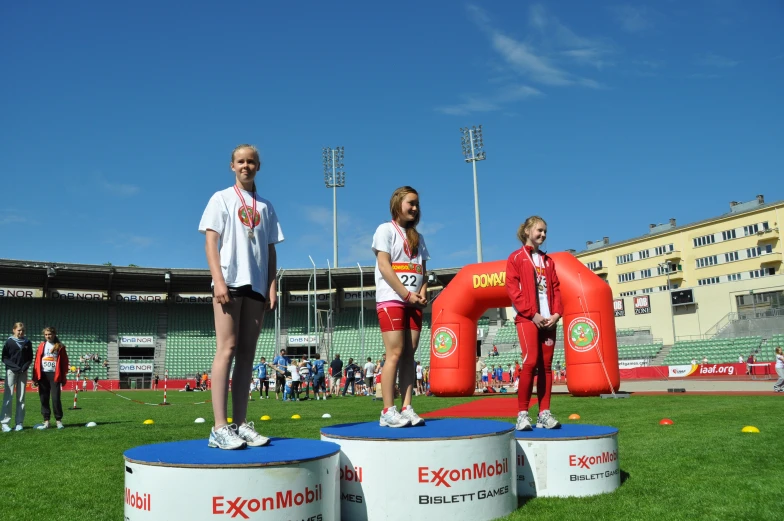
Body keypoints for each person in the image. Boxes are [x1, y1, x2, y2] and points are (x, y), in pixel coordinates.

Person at [198, 143, 284, 450]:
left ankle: (240, 423)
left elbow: (271, 249)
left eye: (251, 161)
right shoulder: (220, 198)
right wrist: (218, 280)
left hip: (257, 285)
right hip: (230, 280)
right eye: (240, 161)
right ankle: (219, 427)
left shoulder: (266, 206)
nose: (246, 166)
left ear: (258, 166)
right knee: (228, 348)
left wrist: (272, 285)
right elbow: (211, 242)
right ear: (232, 166)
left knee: (247, 353)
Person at [374, 186, 429, 427]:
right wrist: (407, 294)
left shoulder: (419, 238)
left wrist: (422, 294)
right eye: (411, 203)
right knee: (395, 353)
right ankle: (387, 409)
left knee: (410, 353)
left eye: (417, 204)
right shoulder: (385, 230)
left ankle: (407, 406)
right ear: (398, 204)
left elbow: (423, 272)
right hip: (393, 298)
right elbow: (385, 266)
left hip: (413, 301)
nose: (415, 208)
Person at [506, 216, 563, 431]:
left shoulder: (548, 261)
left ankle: (544, 414)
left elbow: (556, 289)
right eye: (539, 230)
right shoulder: (516, 258)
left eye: (545, 231)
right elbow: (513, 290)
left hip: (549, 319)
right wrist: (532, 314)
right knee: (530, 362)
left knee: (547, 367)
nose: (543, 235)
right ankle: (522, 414)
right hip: (528, 318)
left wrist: (557, 314)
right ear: (528, 230)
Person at [32, 327, 69, 430]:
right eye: (46, 334)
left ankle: (58, 421)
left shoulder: (60, 346)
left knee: (56, 398)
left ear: (54, 334)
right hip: (43, 375)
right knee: (44, 398)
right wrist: (35, 378)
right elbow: (36, 362)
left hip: (55, 375)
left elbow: (64, 363)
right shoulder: (41, 346)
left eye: (50, 334)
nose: (48, 336)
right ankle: (46, 421)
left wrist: (63, 376)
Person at [2, 323, 33, 432]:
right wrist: (15, 367)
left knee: (21, 398)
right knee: (8, 397)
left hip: (23, 372)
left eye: (22, 331)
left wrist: (23, 368)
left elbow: (30, 358)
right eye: (19, 330)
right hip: (11, 371)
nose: (20, 332)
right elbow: (4, 358)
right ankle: (5, 423)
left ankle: (19, 423)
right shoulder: (9, 342)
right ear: (14, 330)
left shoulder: (27, 343)